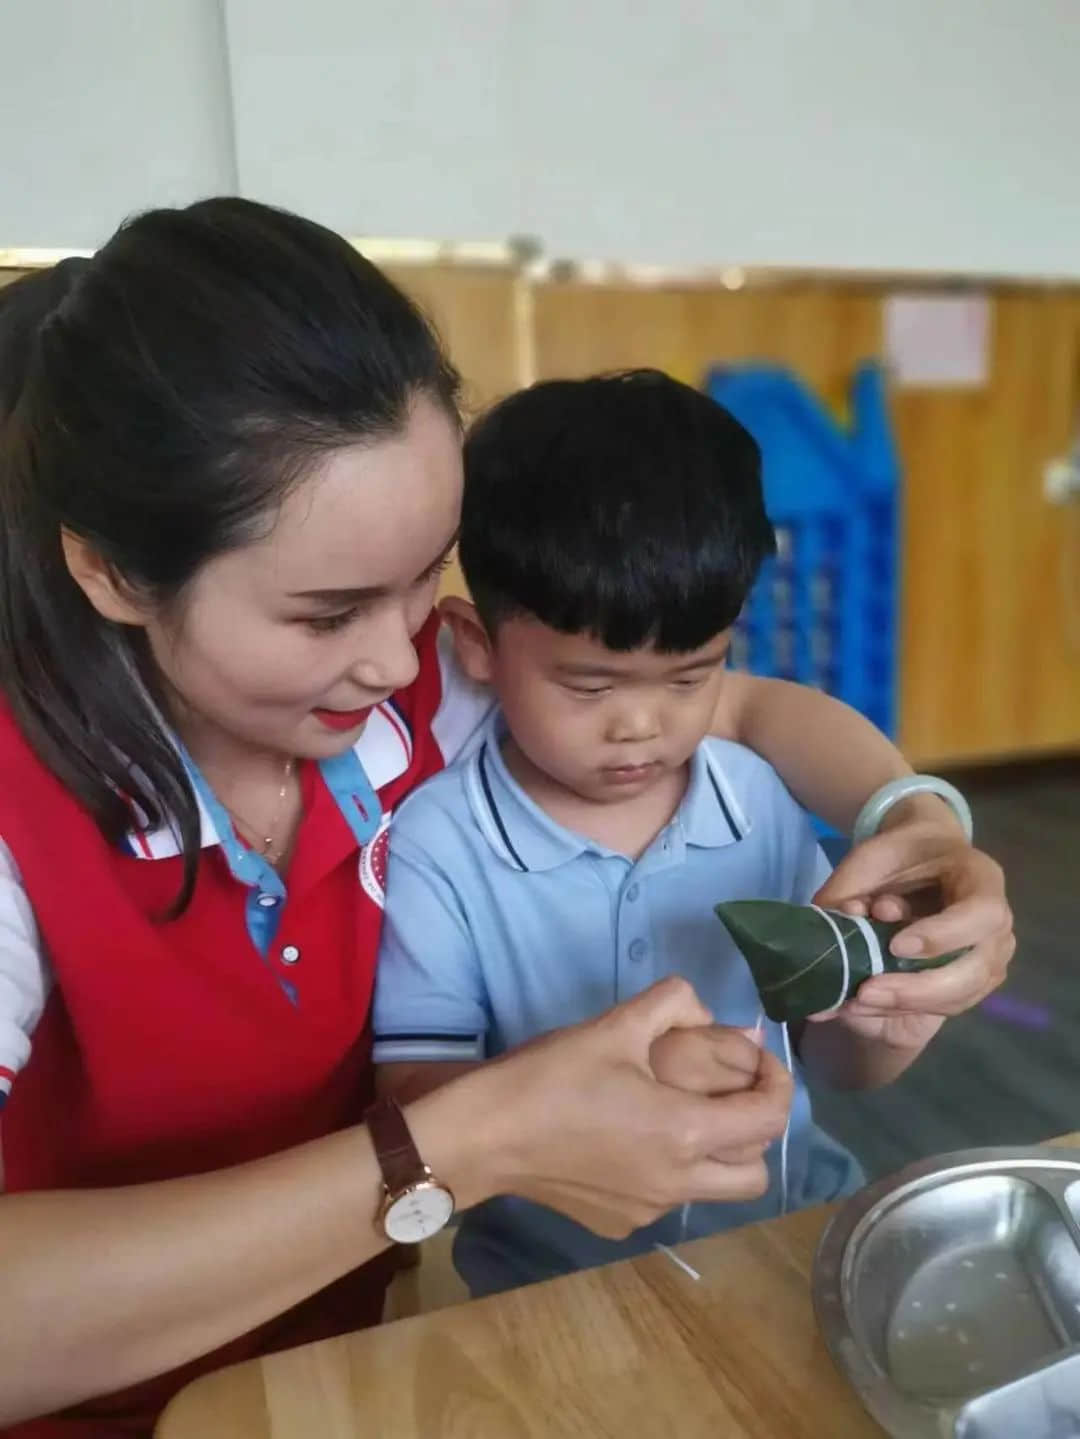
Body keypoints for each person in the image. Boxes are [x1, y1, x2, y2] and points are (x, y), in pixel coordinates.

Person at [0, 200, 1013, 1439]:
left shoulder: (430, 685)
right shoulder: (21, 820)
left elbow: (732, 702)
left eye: (428, 572)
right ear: (111, 571)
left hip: (358, 1366)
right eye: (327, 613)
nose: (398, 654)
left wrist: (916, 818)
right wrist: (457, 1144)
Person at [370, 372, 992, 1293]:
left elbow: (836, 1062)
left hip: (790, 1237)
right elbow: (414, 1098)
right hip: (549, 1285)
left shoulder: (757, 801)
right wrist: (606, 1088)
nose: (642, 727)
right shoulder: (440, 844)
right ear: (475, 644)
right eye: (589, 687)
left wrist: (891, 1019)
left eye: (691, 676)